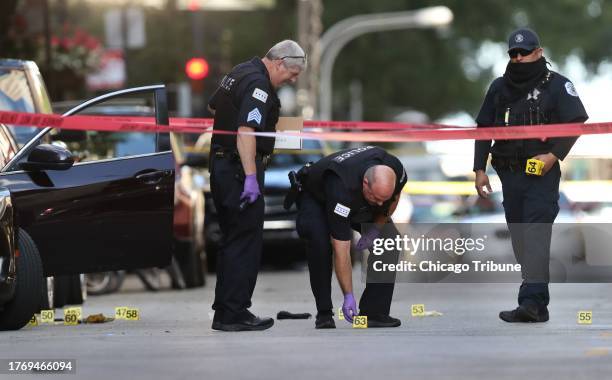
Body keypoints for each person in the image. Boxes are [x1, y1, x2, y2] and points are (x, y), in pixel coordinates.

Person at [473, 28, 588, 323]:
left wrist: (553, 155)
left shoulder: (557, 85)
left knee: (535, 233)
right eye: (514, 53)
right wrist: (479, 169)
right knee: (521, 239)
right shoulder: (499, 87)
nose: (519, 57)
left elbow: (576, 122)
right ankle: (538, 301)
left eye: (524, 52)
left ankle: (531, 302)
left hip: (540, 174)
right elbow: (485, 128)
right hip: (509, 174)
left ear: (539, 52)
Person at [208, 40, 306, 331]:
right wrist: (250, 176)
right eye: (292, 73)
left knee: (232, 240)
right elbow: (246, 131)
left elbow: (215, 106)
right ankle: (235, 313)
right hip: (239, 171)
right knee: (245, 243)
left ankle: (226, 310)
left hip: (223, 166)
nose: (293, 79)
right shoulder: (259, 85)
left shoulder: (239, 71)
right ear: (278, 63)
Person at [293, 146, 407, 329]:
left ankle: (374, 312)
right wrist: (348, 295)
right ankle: (324, 313)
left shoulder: (396, 169)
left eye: (382, 199)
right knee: (320, 244)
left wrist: (375, 230)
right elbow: (342, 249)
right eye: (376, 198)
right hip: (316, 197)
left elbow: (391, 201)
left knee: (389, 240)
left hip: (356, 198)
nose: (379, 203)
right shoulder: (341, 187)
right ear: (365, 183)